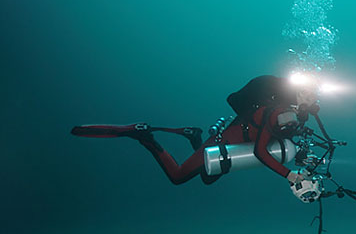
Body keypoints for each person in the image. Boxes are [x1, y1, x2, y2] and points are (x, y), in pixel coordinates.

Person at [71, 75, 318, 187]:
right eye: (308, 93)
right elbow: (261, 151)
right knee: (178, 177)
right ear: (296, 92)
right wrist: (289, 175)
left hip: (230, 147)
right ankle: (144, 136)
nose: (313, 98)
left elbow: (280, 136)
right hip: (224, 141)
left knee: (208, 178)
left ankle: (194, 136)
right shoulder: (277, 112)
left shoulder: (287, 114)